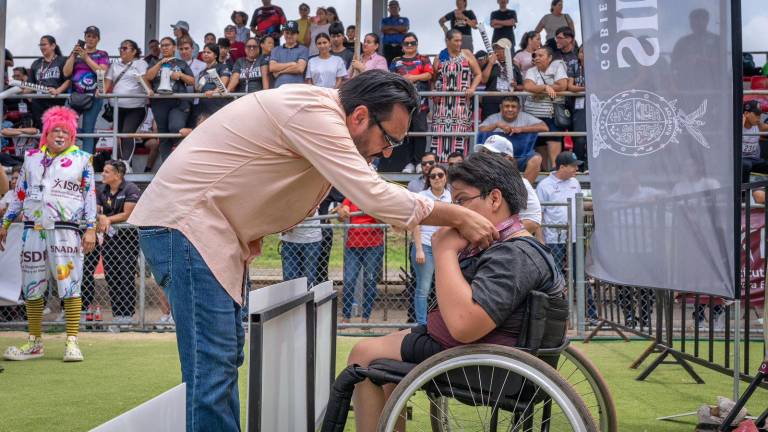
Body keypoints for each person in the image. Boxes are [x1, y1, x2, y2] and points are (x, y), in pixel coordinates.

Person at [128, 69, 498, 431]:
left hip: (208, 234)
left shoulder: (320, 114)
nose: (387, 152)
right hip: (189, 227)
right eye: (389, 139)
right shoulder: (316, 114)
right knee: (211, 369)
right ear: (359, 116)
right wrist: (459, 216)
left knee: (222, 362)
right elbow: (373, 194)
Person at [345, 152, 563, 432]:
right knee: (383, 362)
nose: (455, 212)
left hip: (481, 360)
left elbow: (463, 326)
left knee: (363, 354)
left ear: (494, 199)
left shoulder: (514, 254)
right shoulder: (518, 247)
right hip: (483, 350)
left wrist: (444, 249)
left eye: (461, 201)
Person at [1, 106, 97, 362]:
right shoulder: (31, 158)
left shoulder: (83, 159)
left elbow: (89, 195)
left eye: (66, 131)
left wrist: (91, 227)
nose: (61, 135)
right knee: (32, 287)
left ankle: (72, 342)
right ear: (46, 133)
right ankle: (34, 342)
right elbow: (19, 195)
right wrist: (5, 223)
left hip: (66, 230)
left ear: (73, 135)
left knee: (70, 284)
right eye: (56, 130)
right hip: (33, 229)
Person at [93, 160, 142, 329]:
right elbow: (96, 211)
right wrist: (101, 217)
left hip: (127, 240)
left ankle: (127, 316)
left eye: (107, 171)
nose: (103, 174)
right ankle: (117, 316)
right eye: (103, 171)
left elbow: (128, 214)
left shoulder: (131, 188)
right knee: (112, 277)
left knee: (126, 277)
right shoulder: (101, 190)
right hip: (109, 240)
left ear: (118, 175)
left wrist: (107, 218)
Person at [379, 32, 433, 173]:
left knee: (420, 132)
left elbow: (429, 74)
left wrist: (412, 77)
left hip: (421, 104)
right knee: (405, 134)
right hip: (402, 105)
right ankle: (409, 163)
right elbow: (390, 78)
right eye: (406, 43)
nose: (409, 45)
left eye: (412, 43)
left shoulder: (423, 58)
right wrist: (404, 80)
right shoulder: (396, 60)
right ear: (402, 46)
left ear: (417, 44)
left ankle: (419, 162)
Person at [474, 135, 542, 236]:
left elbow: (532, 221)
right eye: (483, 153)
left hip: (507, 247)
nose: (485, 158)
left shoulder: (520, 183)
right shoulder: (473, 181)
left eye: (491, 154)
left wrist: (497, 237)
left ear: (508, 159)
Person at [430, 29, 482, 162]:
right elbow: (433, 78)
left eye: (460, 40)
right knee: (440, 136)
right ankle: (440, 166)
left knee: (459, 135)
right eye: (456, 40)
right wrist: (433, 92)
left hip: (461, 103)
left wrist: (472, 88)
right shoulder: (439, 57)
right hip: (442, 104)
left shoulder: (467, 54)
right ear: (447, 41)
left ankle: (458, 166)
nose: (459, 43)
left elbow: (478, 74)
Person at [143, 37, 195, 169]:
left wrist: (181, 76)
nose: (164, 47)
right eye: (162, 45)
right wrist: (160, 64)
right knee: (163, 135)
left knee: (175, 128)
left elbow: (192, 81)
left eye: (167, 45)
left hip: (178, 102)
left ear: (174, 48)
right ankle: (166, 168)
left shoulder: (181, 63)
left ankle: (181, 163)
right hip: (160, 103)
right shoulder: (155, 62)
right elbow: (148, 77)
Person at [411, 164, 451, 325]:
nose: (436, 178)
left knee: (444, 288)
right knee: (423, 289)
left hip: (444, 246)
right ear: (428, 179)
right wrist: (419, 248)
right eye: (432, 176)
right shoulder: (421, 195)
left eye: (440, 175)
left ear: (445, 177)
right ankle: (422, 323)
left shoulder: (450, 196)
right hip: (425, 245)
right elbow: (415, 223)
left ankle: (442, 323)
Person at [62, 26, 109, 155]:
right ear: (84, 38)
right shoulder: (76, 54)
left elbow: (102, 72)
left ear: (98, 39)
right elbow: (66, 72)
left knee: (88, 131)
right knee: (65, 127)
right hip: (75, 95)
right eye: (88, 36)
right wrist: (73, 54)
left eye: (94, 36)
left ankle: (87, 162)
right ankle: (65, 158)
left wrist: (86, 58)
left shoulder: (102, 54)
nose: (90, 39)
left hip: (93, 96)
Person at [479, 96, 547, 184]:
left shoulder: (526, 117)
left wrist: (521, 129)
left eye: (513, 106)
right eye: (507, 106)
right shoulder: (494, 118)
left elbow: (544, 127)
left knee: (536, 158)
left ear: (519, 108)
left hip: (521, 157)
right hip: (499, 158)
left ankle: (524, 190)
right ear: (501, 107)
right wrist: (496, 125)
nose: (510, 109)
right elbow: (480, 130)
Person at [338, 198, 384, 323]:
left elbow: (384, 220)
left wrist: (372, 211)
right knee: (349, 280)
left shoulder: (375, 197)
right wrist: (342, 211)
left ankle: (365, 317)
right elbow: (340, 217)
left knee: (369, 281)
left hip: (374, 246)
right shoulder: (351, 197)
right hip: (353, 246)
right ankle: (346, 316)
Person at [523, 46, 568, 170]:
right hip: (534, 115)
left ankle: (555, 170)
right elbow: (528, 86)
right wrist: (545, 88)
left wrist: (540, 89)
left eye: (540, 55)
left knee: (554, 139)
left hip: (552, 113)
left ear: (549, 58)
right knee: (539, 143)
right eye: (535, 55)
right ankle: (544, 171)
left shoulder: (558, 66)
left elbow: (562, 85)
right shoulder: (531, 71)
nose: (536, 58)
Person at [105, 40, 149, 167]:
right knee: (118, 135)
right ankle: (120, 164)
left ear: (134, 51)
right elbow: (107, 85)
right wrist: (101, 91)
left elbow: (144, 81)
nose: (121, 51)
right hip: (117, 107)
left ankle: (125, 164)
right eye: (120, 48)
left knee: (127, 132)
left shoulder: (140, 63)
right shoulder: (115, 65)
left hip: (136, 107)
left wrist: (149, 91)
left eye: (125, 48)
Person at [27, 35, 69, 130]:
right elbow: (31, 84)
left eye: (44, 44)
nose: (42, 47)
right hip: (39, 103)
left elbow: (68, 80)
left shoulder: (62, 60)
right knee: (44, 130)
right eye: (40, 45)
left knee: (56, 130)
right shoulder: (36, 63)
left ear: (53, 46)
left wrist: (58, 90)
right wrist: (21, 90)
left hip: (56, 101)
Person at [480, 38, 524, 120]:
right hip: (491, 103)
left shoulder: (514, 67)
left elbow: (522, 86)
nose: (497, 51)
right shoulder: (490, 64)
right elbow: (483, 80)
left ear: (507, 51)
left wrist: (516, 86)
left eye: (500, 48)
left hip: (509, 103)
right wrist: (490, 63)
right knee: (490, 128)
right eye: (496, 48)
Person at [280, 208, 322, 287]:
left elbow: (311, 211)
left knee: (308, 279)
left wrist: (292, 223)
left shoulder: (311, 194)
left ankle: (307, 299)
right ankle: (292, 299)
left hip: (311, 239)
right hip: (289, 240)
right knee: (289, 278)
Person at [193, 44, 232, 124]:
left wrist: (214, 92)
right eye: (204, 52)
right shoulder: (202, 72)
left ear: (215, 55)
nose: (205, 54)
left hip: (218, 106)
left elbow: (223, 85)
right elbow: (198, 89)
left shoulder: (222, 67)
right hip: (203, 107)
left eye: (209, 52)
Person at [269, 21, 309, 88]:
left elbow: (299, 68)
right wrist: (291, 64)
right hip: (279, 88)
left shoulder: (303, 49)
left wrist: (280, 72)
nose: (289, 36)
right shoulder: (276, 49)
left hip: (297, 88)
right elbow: (272, 67)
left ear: (297, 34)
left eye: (292, 33)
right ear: (283, 33)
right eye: (287, 33)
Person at [567, 46, 587, 170]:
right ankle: (579, 167)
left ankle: (591, 166)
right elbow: (570, 86)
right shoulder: (574, 65)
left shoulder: (599, 63)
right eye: (581, 52)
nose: (583, 54)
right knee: (579, 139)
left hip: (595, 104)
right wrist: (586, 89)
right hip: (578, 106)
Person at [742, 100, 768, 182]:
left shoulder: (758, 125)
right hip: (741, 160)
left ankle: (764, 193)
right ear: (746, 114)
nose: (759, 117)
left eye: (760, 114)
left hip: (755, 160)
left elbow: (765, 127)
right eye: (756, 114)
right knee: (746, 165)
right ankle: (743, 193)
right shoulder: (737, 125)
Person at [381, 0, 410, 65]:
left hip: (401, 47)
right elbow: (383, 29)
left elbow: (405, 29)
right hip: (388, 48)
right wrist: (398, 29)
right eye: (391, 7)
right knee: (388, 67)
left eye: (395, 7)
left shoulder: (405, 19)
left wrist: (390, 28)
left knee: (401, 66)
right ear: (388, 9)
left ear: (399, 9)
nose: (393, 9)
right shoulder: (385, 20)